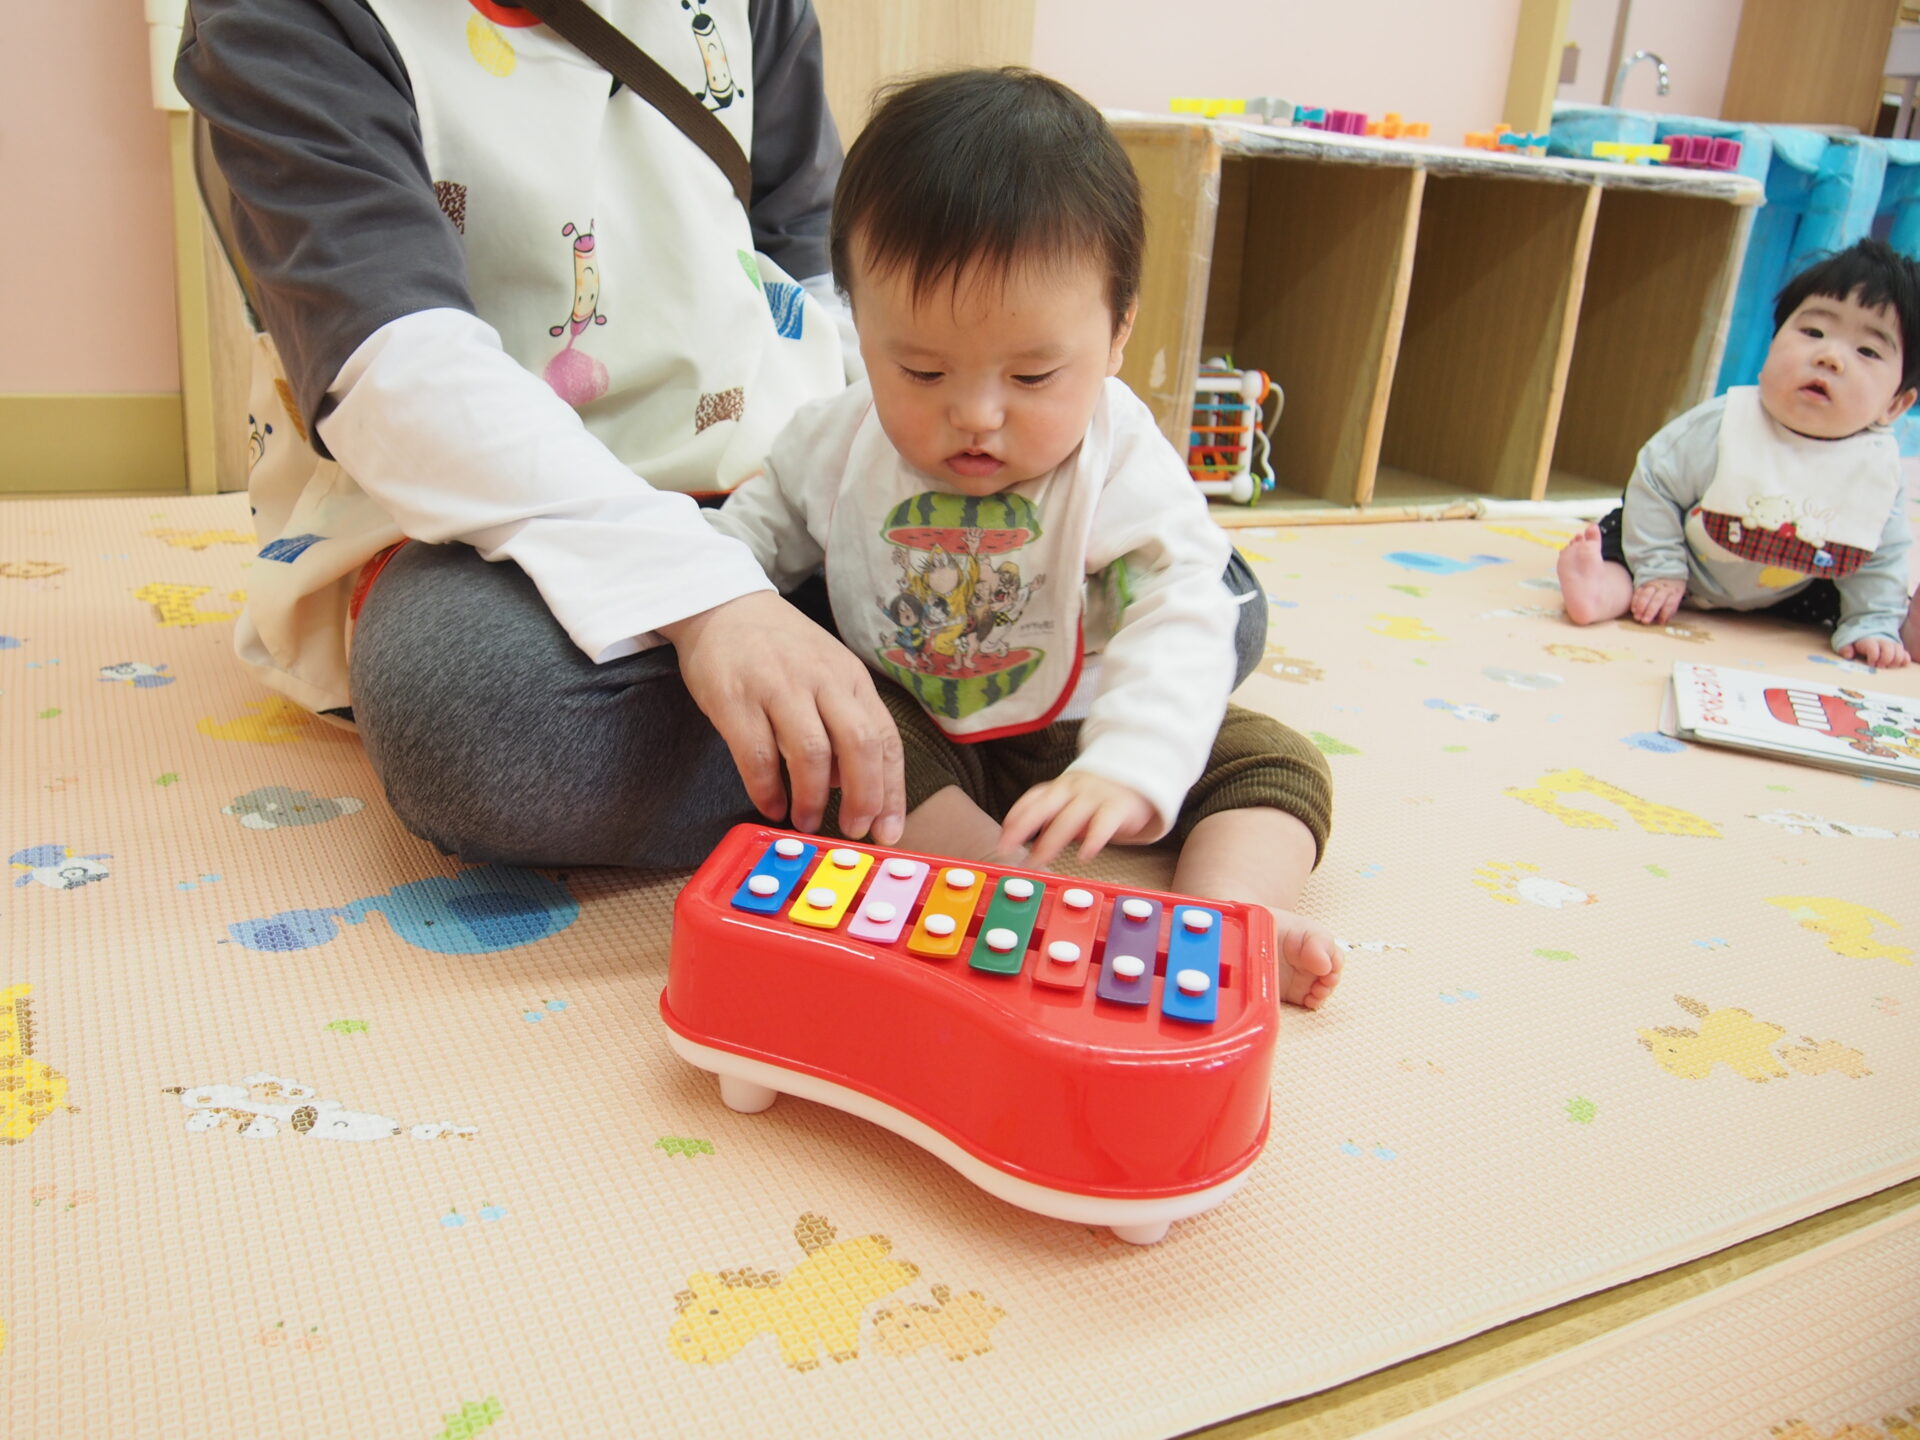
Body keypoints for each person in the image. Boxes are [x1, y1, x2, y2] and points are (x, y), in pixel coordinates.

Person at [707, 69, 1339, 1007]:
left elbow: (1179, 603)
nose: (976, 414)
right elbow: (743, 545)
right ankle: (1002, 887)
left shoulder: (1121, 458)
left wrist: (1130, 760)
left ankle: (1230, 920)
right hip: (922, 730)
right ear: (858, 327)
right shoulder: (833, 443)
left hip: (1084, 719)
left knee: (1278, 763)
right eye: (920, 371)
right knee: (845, 749)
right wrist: (707, 595)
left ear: (1117, 335)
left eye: (1034, 377)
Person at [1557, 239, 1920, 670]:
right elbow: (1656, 482)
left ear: (1895, 405)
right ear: (1772, 344)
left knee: (1860, 594)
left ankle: (1893, 627)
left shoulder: (1875, 468)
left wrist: (1870, 622)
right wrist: (1661, 568)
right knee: (1624, 544)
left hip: (1790, 583)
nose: (1829, 357)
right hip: (1685, 555)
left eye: (1867, 351)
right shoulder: (1725, 424)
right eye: (1813, 333)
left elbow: (1879, 554)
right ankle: (1599, 591)